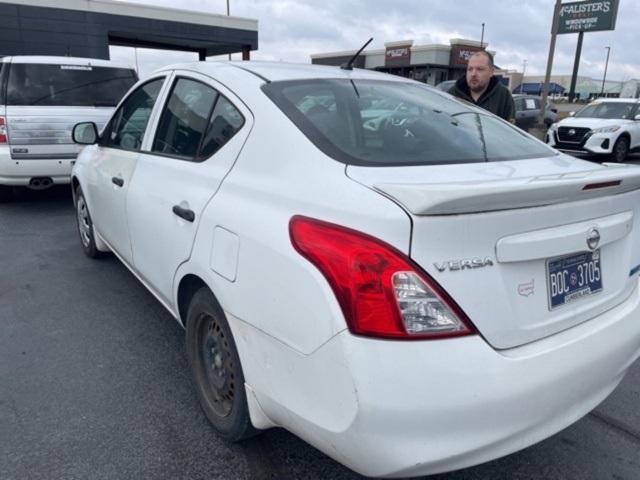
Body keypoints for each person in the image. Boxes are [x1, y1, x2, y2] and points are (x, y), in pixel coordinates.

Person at [448, 51, 515, 122]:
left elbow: (509, 129)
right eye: (470, 69)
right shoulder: (452, 94)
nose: (473, 74)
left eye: (479, 69)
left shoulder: (504, 96)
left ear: (491, 72)